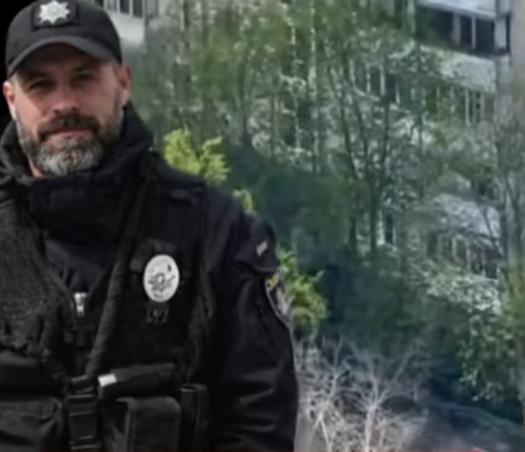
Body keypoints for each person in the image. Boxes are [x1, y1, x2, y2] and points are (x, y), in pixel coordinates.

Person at [0, 0, 298, 450]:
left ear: (123, 83)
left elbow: (260, 421)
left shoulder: (214, 233)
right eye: (41, 85)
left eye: (84, 78)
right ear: (12, 100)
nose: (64, 104)